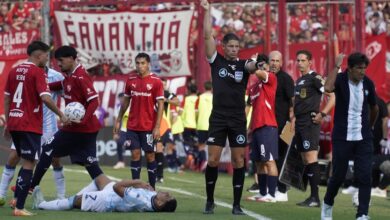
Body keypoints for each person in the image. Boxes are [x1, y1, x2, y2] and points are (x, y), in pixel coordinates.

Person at [201, 0, 264, 215]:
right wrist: (207, 10)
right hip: (218, 116)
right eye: (231, 46)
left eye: (237, 47)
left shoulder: (243, 64)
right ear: (224, 47)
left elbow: (251, 67)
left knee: (238, 161)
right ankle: (209, 200)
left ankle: (237, 205)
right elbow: (207, 36)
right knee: (213, 160)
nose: (235, 50)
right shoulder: (216, 60)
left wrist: (257, 64)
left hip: (237, 117)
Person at [30, 46, 105, 198]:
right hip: (80, 129)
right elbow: (57, 86)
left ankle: (31, 186)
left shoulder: (81, 77)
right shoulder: (69, 77)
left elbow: (94, 101)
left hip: (81, 129)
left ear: (71, 58)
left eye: (61, 60)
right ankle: (108, 191)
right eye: (57, 61)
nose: (59, 64)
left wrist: (83, 120)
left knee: (48, 148)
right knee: (90, 164)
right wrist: (38, 87)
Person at [3, 41, 68, 216]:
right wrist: (61, 114)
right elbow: (46, 98)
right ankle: (19, 207)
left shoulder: (14, 70)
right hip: (30, 124)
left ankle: (16, 199)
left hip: (15, 122)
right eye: (46, 56)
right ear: (39, 55)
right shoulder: (37, 72)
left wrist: (8, 123)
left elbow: (7, 99)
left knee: (25, 158)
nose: (47, 59)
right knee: (28, 163)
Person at [321, 53, 379, 220]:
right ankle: (327, 205)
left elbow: (374, 108)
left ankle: (362, 214)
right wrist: (336, 65)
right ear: (350, 69)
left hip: (363, 137)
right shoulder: (340, 79)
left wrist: (370, 126)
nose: (362, 72)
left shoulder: (368, 83)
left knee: (365, 175)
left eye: (364, 68)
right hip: (342, 136)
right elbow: (327, 88)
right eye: (359, 68)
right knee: (338, 176)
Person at [114, 52, 164, 190]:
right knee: (135, 155)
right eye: (137, 63)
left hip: (148, 126)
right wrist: (118, 120)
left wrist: (157, 127)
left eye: (143, 63)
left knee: (150, 156)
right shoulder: (130, 80)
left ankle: (152, 188)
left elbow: (160, 105)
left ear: (148, 64)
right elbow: (125, 103)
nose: (140, 66)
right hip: (132, 126)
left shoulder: (156, 81)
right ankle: (136, 187)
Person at [292, 50, 335, 208]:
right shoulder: (300, 80)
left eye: (303, 60)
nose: (299, 63)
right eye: (298, 60)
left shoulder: (315, 78)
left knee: (311, 158)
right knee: (305, 159)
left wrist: (322, 114)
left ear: (310, 62)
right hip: (301, 123)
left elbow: (332, 96)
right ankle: (312, 196)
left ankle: (315, 198)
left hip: (310, 122)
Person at [32, 174, 177, 213]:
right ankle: (75, 199)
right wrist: (146, 188)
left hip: (107, 200)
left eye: (168, 196)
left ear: (160, 203)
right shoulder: (153, 199)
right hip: (114, 194)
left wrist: (137, 181)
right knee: (99, 179)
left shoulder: (140, 200)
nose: (168, 193)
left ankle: (41, 205)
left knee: (73, 202)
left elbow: (118, 187)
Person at [246, 54, 279, 203]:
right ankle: (262, 192)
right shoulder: (253, 88)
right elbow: (253, 109)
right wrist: (249, 128)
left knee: (269, 161)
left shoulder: (271, 78)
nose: (261, 68)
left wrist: (254, 63)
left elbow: (257, 71)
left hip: (268, 126)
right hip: (256, 128)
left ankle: (272, 195)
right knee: (258, 162)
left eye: (263, 65)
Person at [269, 50, 295, 202]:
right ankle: (267, 188)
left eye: (277, 61)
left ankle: (283, 190)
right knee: (268, 158)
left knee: (281, 157)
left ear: (281, 63)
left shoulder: (285, 79)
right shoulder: (265, 77)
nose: (274, 63)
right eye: (272, 60)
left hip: (282, 124)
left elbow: (293, 100)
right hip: (267, 124)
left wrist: (294, 119)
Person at [196, 81, 213, 171]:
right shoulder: (215, 97)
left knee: (201, 146)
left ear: (204, 87)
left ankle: (203, 163)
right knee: (211, 146)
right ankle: (209, 164)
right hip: (212, 125)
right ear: (212, 88)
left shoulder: (200, 97)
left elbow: (196, 112)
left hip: (201, 124)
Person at [112, 93, 128, 169]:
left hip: (133, 128)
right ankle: (121, 162)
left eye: (122, 98)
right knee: (119, 143)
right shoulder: (118, 106)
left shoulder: (132, 105)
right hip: (123, 129)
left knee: (135, 146)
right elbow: (116, 120)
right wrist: (115, 132)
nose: (121, 100)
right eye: (120, 98)